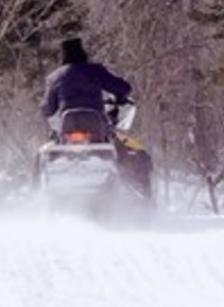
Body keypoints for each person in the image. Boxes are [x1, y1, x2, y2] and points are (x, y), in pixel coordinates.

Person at [41, 36, 153, 199]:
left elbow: (47, 107)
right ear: (83, 53)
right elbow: (123, 87)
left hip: (67, 128)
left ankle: (42, 194)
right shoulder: (94, 70)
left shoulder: (54, 77)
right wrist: (119, 96)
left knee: (47, 152)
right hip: (96, 126)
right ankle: (137, 192)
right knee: (124, 151)